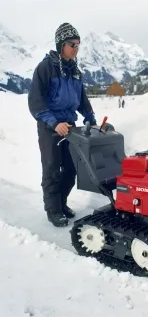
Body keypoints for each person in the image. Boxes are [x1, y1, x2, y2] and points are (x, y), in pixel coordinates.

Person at [28, 23, 97, 227]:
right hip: (50, 127)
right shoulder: (45, 68)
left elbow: (82, 100)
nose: (76, 48)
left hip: (70, 127)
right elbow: (36, 102)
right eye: (71, 44)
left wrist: (91, 120)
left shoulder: (74, 70)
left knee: (70, 168)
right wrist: (54, 122)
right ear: (60, 45)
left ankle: (61, 203)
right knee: (51, 169)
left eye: (78, 44)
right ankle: (53, 210)